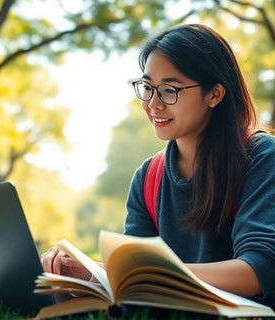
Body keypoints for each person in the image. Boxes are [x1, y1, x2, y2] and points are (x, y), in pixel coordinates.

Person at [41, 24, 275, 309]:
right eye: (148, 88)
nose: (153, 104)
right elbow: (136, 295)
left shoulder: (260, 157)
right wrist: (83, 277)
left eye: (168, 90)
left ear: (214, 94)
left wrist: (138, 274)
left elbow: (259, 269)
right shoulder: (147, 178)